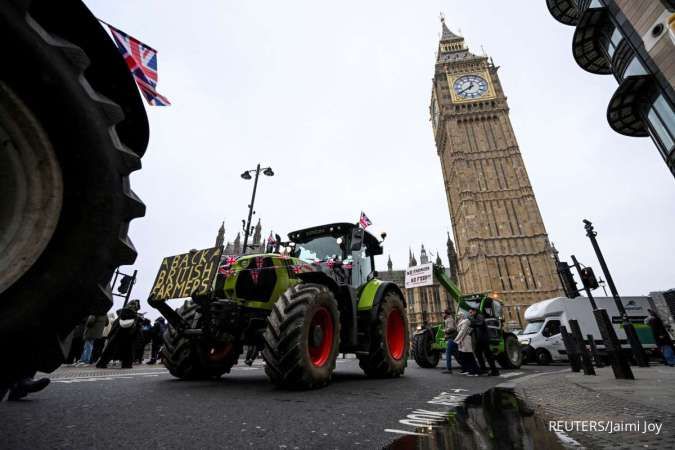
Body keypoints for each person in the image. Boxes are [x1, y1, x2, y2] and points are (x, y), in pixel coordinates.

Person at [96, 301, 141, 369]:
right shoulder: (136, 317)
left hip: (117, 335)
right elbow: (137, 330)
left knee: (110, 349)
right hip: (129, 337)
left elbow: (114, 326)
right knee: (128, 350)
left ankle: (102, 363)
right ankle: (126, 364)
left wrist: (110, 335)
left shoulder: (120, 314)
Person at [469, 307, 500, 376]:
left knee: (488, 355)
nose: (470, 314)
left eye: (471, 312)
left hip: (483, 339)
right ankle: (483, 369)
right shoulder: (474, 318)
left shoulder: (480, 316)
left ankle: (494, 371)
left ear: (475, 311)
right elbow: (473, 327)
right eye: (469, 312)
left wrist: (472, 321)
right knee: (478, 353)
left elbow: (480, 323)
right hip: (479, 340)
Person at [454, 312, 479, 376]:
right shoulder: (460, 321)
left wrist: (456, 339)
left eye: (458, 315)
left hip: (466, 340)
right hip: (462, 341)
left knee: (469, 355)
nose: (457, 316)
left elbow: (462, 331)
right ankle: (467, 369)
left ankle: (475, 371)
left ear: (462, 316)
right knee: (464, 356)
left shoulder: (466, 321)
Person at [441, 309, 458, 374]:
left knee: (448, 353)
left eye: (443, 313)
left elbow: (451, 328)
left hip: (451, 338)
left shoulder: (450, 320)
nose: (442, 314)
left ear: (446, 314)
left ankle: (449, 369)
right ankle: (466, 366)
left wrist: (445, 331)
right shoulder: (447, 320)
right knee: (456, 354)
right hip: (450, 338)